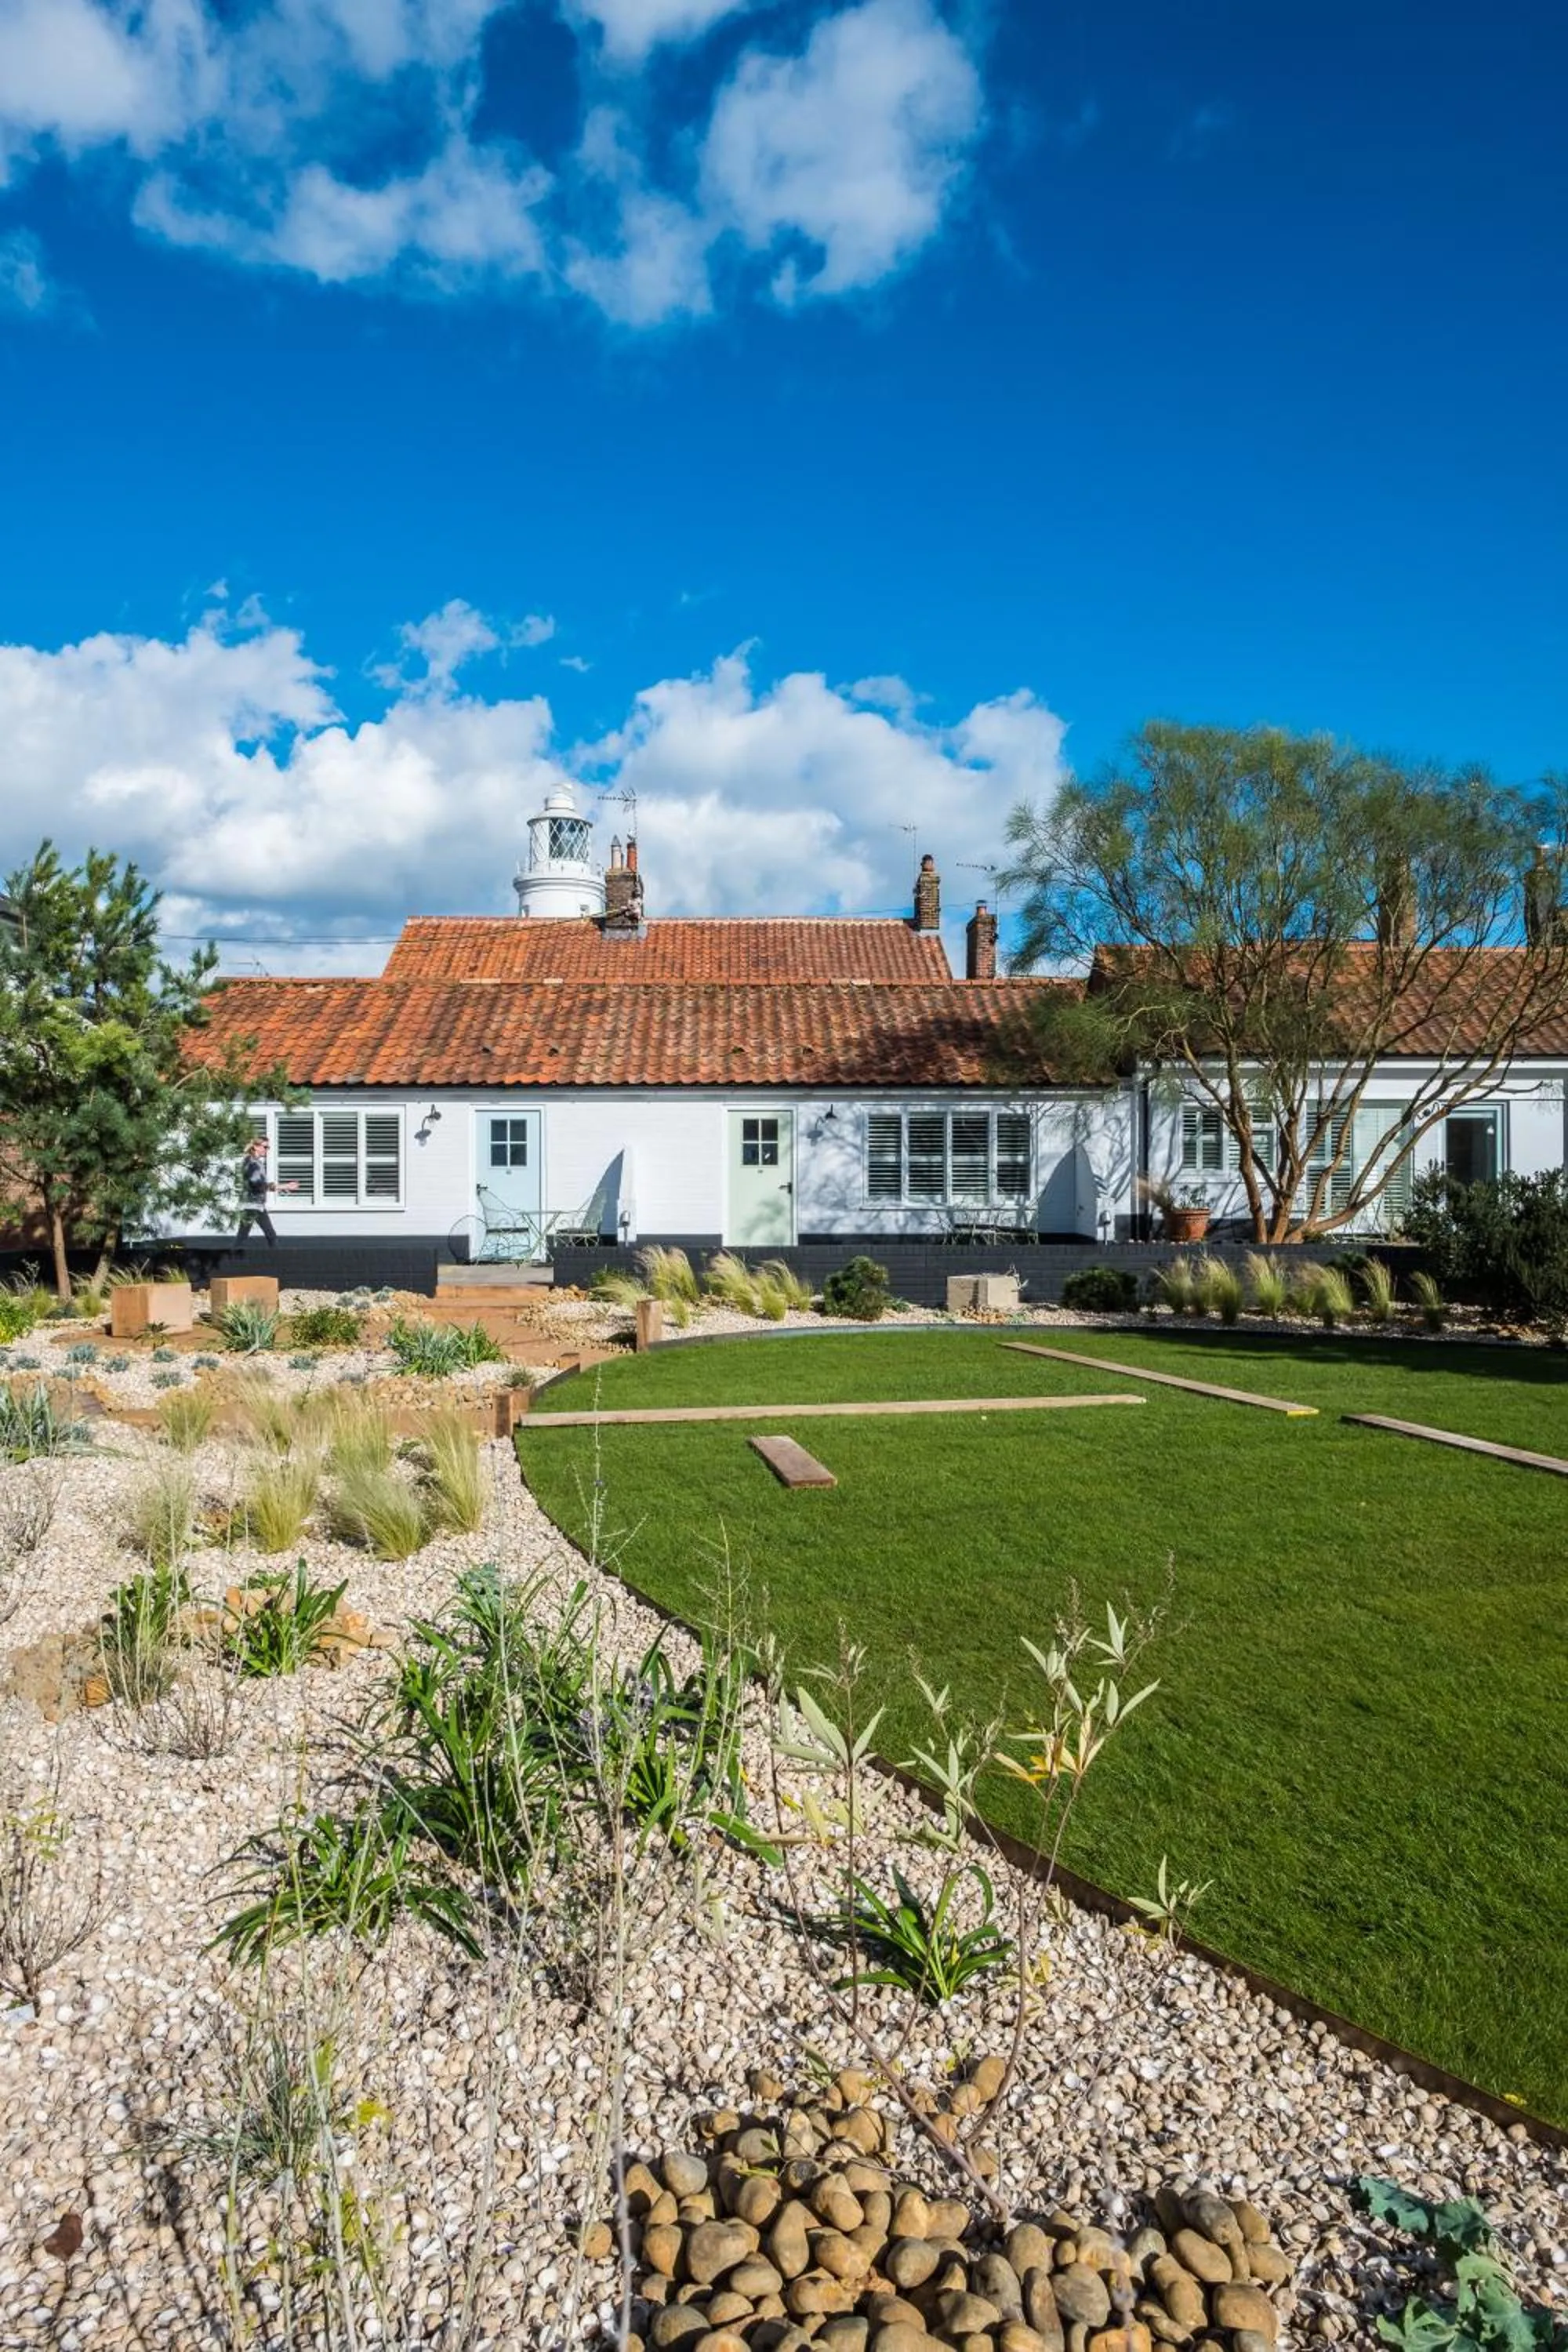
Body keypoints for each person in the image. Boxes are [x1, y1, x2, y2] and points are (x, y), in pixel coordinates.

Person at [236, 1136, 294, 1244]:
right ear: (256, 1147)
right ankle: (277, 1259)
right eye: (265, 1147)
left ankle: (232, 1257)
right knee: (271, 1236)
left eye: (268, 1147)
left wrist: (281, 1187)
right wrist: (283, 1187)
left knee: (243, 1237)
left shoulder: (253, 1161)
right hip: (252, 1205)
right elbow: (257, 1184)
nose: (267, 1150)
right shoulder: (253, 1163)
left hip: (252, 1205)